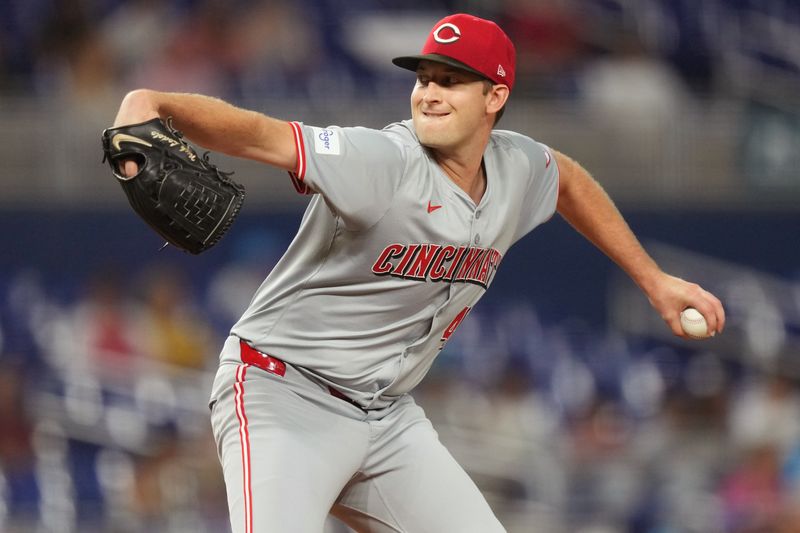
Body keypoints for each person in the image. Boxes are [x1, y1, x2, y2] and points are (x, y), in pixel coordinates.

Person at [110, 13, 725, 533]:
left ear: (496, 97)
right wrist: (152, 103)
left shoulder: (516, 168)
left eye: (451, 81)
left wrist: (654, 279)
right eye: (425, 77)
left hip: (386, 415)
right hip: (282, 395)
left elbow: (565, 178)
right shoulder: (381, 160)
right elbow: (264, 136)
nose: (429, 91)